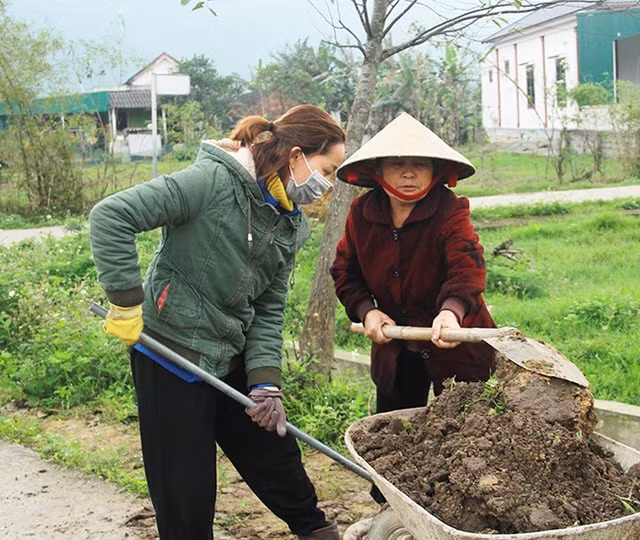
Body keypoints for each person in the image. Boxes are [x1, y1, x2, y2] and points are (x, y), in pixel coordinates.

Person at [88, 105, 345, 540]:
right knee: (186, 488)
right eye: (328, 168)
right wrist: (127, 303)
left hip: (229, 350)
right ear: (298, 156)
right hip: (170, 352)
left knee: (274, 450)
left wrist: (265, 381)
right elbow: (111, 217)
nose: (328, 183)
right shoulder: (210, 182)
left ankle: (316, 532)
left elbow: (268, 307)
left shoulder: (287, 222)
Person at [330, 111, 496, 440]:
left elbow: (467, 267)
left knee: (463, 440)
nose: (409, 172)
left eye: (420, 164)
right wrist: (367, 310)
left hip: (455, 343)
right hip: (395, 343)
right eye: (397, 163)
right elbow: (344, 271)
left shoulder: (450, 211)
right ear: (377, 170)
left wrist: (451, 312)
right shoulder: (361, 215)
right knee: (393, 438)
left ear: (435, 170)